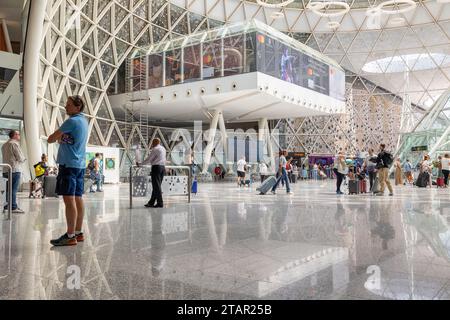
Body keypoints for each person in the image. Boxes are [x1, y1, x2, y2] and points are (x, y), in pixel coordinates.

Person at [48, 95, 89, 246]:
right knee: (78, 198)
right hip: (79, 165)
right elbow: (69, 139)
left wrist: (61, 138)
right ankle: (78, 232)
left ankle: (70, 235)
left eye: (69, 105)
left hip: (68, 165)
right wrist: (64, 138)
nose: (66, 107)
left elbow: (51, 138)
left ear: (77, 107)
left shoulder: (71, 121)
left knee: (69, 200)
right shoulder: (84, 121)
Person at [1, 130, 26, 213]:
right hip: (14, 169)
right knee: (13, 190)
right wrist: (23, 159)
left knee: (7, 189)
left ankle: (6, 206)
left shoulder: (4, 145)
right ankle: (13, 207)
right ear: (14, 135)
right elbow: (20, 158)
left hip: (5, 170)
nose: (19, 136)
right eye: (18, 134)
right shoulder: (14, 144)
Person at [140, 138, 167, 208]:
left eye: (152, 142)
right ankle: (151, 202)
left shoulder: (155, 149)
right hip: (162, 168)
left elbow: (149, 159)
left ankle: (160, 203)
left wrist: (141, 164)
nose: (152, 143)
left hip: (156, 168)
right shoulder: (163, 148)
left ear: (155, 142)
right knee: (156, 186)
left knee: (156, 186)